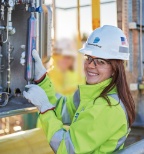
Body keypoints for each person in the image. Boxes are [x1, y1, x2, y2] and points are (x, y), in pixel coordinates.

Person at [23, 25, 135, 153]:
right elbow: (63, 109)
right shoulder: (92, 93)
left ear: (115, 69)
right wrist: (42, 78)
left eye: (100, 61)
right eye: (89, 58)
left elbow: (66, 148)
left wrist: (44, 109)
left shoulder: (108, 108)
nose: (91, 66)